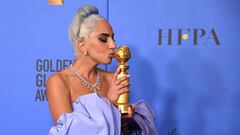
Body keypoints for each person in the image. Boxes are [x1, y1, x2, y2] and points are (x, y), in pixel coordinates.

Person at [47, 5, 158, 135]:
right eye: (103, 39)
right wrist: (109, 102)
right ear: (82, 45)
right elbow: (69, 132)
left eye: (113, 38)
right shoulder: (59, 82)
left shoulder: (112, 79)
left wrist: (125, 121)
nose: (113, 45)